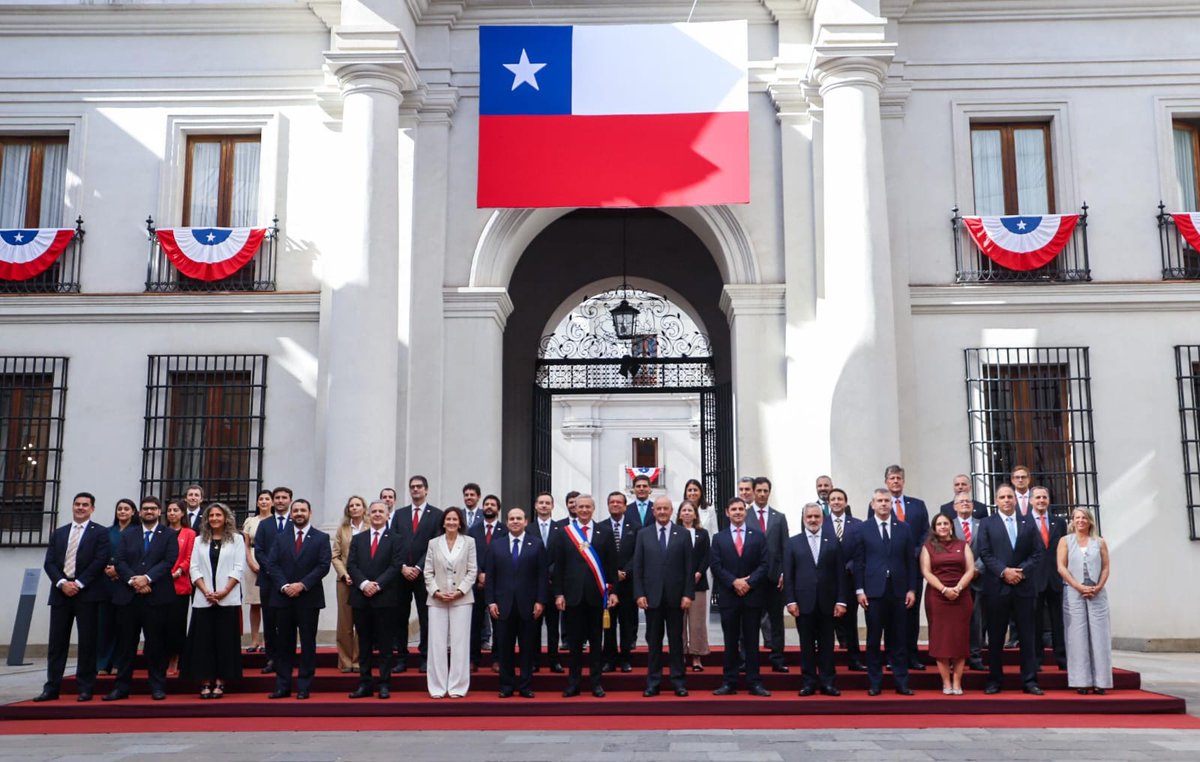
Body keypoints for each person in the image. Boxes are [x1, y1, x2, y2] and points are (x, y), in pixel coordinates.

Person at [35, 492, 110, 703]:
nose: (80, 508)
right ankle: (52, 687)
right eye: (77, 504)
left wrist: (78, 583)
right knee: (56, 644)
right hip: (61, 594)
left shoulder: (100, 533)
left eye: (85, 505)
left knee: (87, 643)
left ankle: (85, 687)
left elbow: (100, 561)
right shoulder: (59, 533)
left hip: (87, 594)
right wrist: (62, 583)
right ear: (72, 506)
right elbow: (49, 562)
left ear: (92, 509)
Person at [106, 496, 178, 701]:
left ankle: (157, 686)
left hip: (156, 597)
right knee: (126, 646)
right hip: (129, 598)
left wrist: (147, 578)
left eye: (153, 508)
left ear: (159, 512)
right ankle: (121, 688)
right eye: (145, 508)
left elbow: (169, 561)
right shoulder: (129, 534)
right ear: (140, 512)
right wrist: (134, 581)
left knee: (156, 645)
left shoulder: (168, 534)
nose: (149, 511)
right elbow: (120, 561)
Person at [976, 483, 1044, 695]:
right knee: (996, 637)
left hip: (1023, 587)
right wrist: (1004, 571)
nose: (1006, 500)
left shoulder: (1028, 522)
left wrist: (1021, 571)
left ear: (1015, 500)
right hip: (997, 587)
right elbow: (985, 553)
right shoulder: (987, 523)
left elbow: (1037, 552)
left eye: (1009, 497)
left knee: (1027, 636)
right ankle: (994, 680)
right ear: (996, 501)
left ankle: (1030, 680)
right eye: (1002, 497)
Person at [551, 493, 619, 698]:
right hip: (572, 597)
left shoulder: (604, 532)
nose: (584, 510)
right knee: (574, 644)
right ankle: (574, 683)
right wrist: (558, 594)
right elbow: (558, 567)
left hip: (597, 596)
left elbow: (612, 565)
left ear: (593, 509)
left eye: (588, 507)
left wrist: (613, 591)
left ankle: (596, 683)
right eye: (580, 507)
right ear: (574, 509)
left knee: (597, 643)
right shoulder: (564, 533)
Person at [853, 488, 917, 696]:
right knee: (873, 639)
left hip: (898, 591)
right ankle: (875, 682)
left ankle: (901, 682)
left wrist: (911, 589)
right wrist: (859, 590)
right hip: (873, 592)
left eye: (886, 501)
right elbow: (859, 562)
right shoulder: (863, 529)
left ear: (892, 504)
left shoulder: (904, 528)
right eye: (879, 501)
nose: (883, 504)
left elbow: (910, 562)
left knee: (898, 638)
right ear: (872, 504)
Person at [266, 499, 332, 700]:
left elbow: (323, 566)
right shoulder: (280, 538)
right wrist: (285, 586)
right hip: (283, 598)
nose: (299, 513)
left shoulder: (321, 537)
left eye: (303, 510)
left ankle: (304, 686)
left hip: (308, 598)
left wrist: (302, 585)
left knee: (308, 644)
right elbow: (272, 564)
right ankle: (283, 686)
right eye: (295, 510)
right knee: (283, 645)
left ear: (310, 513)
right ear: (291, 514)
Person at [633, 495, 695, 697]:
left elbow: (689, 567)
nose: (661, 512)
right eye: (658, 508)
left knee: (676, 642)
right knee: (654, 643)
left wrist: (688, 594)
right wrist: (639, 593)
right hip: (652, 598)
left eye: (665, 508)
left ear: (671, 511)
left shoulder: (683, 534)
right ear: (653, 511)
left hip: (676, 598)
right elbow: (638, 566)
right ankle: (653, 682)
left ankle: (679, 682)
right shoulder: (643, 534)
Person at [709, 497, 771, 697]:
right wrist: (734, 582)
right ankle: (729, 682)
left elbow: (764, 564)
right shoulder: (719, 538)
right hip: (729, 597)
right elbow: (716, 566)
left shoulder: (758, 536)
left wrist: (748, 583)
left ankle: (755, 683)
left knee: (752, 642)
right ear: (727, 512)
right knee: (730, 642)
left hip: (752, 597)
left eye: (741, 509)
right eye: (733, 509)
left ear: (745, 512)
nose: (737, 512)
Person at [785, 502, 848, 697]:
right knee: (806, 646)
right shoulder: (793, 542)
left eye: (816, 516)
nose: (813, 520)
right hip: (803, 603)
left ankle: (828, 683)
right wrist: (790, 601)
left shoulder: (833, 541)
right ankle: (808, 683)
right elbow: (788, 575)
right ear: (803, 519)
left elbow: (840, 574)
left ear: (822, 518)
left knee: (827, 645)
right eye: (809, 517)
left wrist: (841, 601)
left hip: (828, 603)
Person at [486, 505, 549, 699]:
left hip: (528, 606)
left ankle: (525, 686)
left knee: (527, 649)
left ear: (526, 521)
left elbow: (542, 575)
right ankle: (506, 686)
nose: (515, 521)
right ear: (506, 522)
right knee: (504, 649)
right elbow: (491, 577)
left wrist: (541, 601)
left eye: (519, 518)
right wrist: (491, 602)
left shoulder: (536, 544)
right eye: (512, 518)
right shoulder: (496, 545)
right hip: (502, 606)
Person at [185, 502, 244, 699]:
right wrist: (206, 591)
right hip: (204, 598)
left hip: (228, 598)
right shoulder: (199, 540)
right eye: (211, 515)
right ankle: (205, 681)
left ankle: (220, 681)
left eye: (218, 515)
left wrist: (224, 591)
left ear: (226, 518)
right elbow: (194, 568)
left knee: (224, 641)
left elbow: (238, 568)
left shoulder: (237, 539)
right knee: (203, 642)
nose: (215, 518)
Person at [347, 500, 404, 699]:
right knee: (364, 644)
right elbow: (351, 565)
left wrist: (377, 585)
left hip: (385, 598)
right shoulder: (358, 539)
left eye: (381, 511)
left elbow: (396, 566)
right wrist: (364, 584)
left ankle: (384, 684)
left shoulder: (396, 539)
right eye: (374, 511)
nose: (377, 514)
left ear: (388, 515)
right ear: (368, 515)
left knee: (385, 645)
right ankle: (365, 684)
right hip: (361, 598)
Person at [424, 507, 477, 698]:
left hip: (462, 599)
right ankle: (437, 686)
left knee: (460, 643)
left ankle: (458, 686)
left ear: (460, 523)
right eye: (448, 519)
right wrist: (436, 592)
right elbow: (428, 571)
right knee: (436, 644)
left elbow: (472, 570)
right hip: (437, 599)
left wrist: (460, 591)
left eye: (455, 519)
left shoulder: (469, 542)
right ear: (443, 522)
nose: (451, 522)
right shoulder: (433, 543)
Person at [1057, 507, 1112, 694]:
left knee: (1099, 636)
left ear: (1090, 521)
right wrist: (1077, 586)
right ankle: (1081, 681)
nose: (1080, 521)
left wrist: (1099, 586)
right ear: (1072, 521)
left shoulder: (1099, 542)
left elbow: (1106, 567)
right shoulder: (1065, 541)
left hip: (1097, 591)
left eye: (1084, 518)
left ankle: (1101, 682)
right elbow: (1061, 567)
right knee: (1077, 636)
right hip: (1073, 591)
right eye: (1077, 518)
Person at [392, 475, 442, 673]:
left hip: (425, 575)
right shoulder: (399, 514)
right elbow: (393, 543)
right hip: (401, 574)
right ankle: (401, 658)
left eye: (419, 486)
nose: (415, 489)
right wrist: (403, 566)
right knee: (399, 617)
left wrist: (419, 567)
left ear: (426, 490)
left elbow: (435, 544)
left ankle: (425, 657)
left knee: (426, 618)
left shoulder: (437, 515)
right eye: (412, 487)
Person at [920, 512, 975, 695]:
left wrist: (958, 588)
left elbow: (970, 569)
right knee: (941, 641)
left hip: (961, 596)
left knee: (960, 640)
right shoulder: (928, 547)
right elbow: (926, 572)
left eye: (945, 523)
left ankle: (957, 682)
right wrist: (944, 589)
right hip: (938, 597)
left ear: (951, 526)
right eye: (939, 524)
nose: (943, 527)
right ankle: (946, 683)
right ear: (934, 528)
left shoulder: (962, 545)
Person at [884, 464, 930, 672]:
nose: (895, 481)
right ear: (886, 482)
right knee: (890, 615)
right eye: (892, 478)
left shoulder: (917, 505)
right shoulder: (880, 504)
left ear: (903, 481)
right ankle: (892, 656)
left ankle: (912, 655)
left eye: (898, 478)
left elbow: (926, 533)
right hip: (889, 570)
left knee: (911, 614)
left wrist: (916, 551)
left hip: (913, 567)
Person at [746, 476, 789, 673]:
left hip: (774, 577)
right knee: (750, 621)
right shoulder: (744, 515)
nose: (762, 494)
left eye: (765, 491)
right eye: (759, 491)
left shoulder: (779, 518)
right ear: (753, 492)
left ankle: (777, 658)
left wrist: (784, 573)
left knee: (776, 621)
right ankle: (747, 659)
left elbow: (785, 547)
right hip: (752, 578)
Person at [253, 485, 294, 674]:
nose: (280, 501)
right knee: (269, 621)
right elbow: (259, 551)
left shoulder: (296, 522)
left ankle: (287, 658)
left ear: (290, 500)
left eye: (284, 497)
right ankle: (271, 659)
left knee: (288, 621)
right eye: (277, 497)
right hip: (268, 580)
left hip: (290, 581)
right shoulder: (265, 524)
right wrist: (272, 570)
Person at [826, 488, 865, 671]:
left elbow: (861, 551)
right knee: (827, 622)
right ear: (829, 503)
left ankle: (854, 659)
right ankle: (827, 661)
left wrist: (849, 566)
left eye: (840, 499)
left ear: (846, 502)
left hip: (850, 579)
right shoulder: (821, 523)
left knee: (850, 621)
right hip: (827, 580)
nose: (836, 502)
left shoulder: (857, 524)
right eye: (833, 499)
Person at [1028, 486, 1067, 670]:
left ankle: (1062, 658)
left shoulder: (1059, 523)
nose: (1041, 500)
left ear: (1048, 500)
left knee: (1058, 621)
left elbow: (1065, 549)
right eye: (1037, 497)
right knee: (1035, 622)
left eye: (1044, 497)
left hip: (1055, 578)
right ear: (1031, 501)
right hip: (1033, 579)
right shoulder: (1024, 522)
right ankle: (1036, 659)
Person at [96, 498, 136, 676]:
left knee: (123, 625)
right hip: (106, 583)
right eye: (120, 509)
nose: (122, 512)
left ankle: (118, 663)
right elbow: (100, 554)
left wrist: (119, 571)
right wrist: (107, 569)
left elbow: (138, 556)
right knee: (105, 625)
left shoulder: (137, 531)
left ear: (133, 512)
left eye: (126, 509)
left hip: (126, 583)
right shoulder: (107, 532)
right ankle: (103, 663)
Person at [602, 490, 639, 673]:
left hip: (627, 584)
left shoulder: (636, 527)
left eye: (619, 502)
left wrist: (625, 571)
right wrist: (612, 573)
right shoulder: (600, 527)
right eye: (612, 502)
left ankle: (625, 659)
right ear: (608, 505)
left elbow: (638, 554)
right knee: (608, 625)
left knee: (627, 624)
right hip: (607, 585)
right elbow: (598, 555)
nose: (615, 504)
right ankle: (609, 660)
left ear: (625, 506)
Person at [467, 494, 505, 671]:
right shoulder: (473, 530)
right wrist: (479, 574)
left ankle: (497, 659)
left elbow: (505, 555)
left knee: (499, 624)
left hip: (498, 584)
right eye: (486, 504)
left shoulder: (504, 530)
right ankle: (473, 659)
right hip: (476, 584)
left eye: (493, 504)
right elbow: (469, 554)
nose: (489, 507)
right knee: (474, 624)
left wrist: (490, 575)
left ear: (498, 509)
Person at [950, 493, 987, 671]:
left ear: (973, 505)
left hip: (978, 579)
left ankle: (975, 656)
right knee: (955, 621)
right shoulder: (948, 525)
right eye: (961, 501)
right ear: (954, 506)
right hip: (954, 580)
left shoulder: (983, 524)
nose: (965, 504)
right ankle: (955, 656)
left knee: (976, 620)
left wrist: (975, 570)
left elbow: (987, 550)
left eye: (968, 501)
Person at [331, 495, 367, 673]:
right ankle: (345, 660)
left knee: (362, 622)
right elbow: (335, 555)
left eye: (358, 505)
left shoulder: (370, 527)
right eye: (351, 505)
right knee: (345, 623)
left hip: (365, 582)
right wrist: (344, 574)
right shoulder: (342, 529)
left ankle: (358, 660)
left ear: (364, 508)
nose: (354, 508)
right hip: (345, 581)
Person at [531, 491, 565, 673]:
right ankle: (534, 660)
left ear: (552, 506)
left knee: (553, 626)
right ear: (536, 506)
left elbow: (562, 557)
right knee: (533, 626)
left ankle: (554, 660)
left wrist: (549, 573)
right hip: (533, 586)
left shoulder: (561, 530)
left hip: (554, 585)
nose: (544, 506)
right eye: (541, 503)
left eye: (547, 503)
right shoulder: (528, 529)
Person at [676, 500, 710, 672]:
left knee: (697, 623)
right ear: (679, 514)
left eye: (690, 510)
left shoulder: (702, 534)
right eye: (684, 510)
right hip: (678, 584)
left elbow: (707, 555)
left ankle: (696, 656)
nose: (687, 513)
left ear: (695, 514)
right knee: (678, 622)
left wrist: (699, 572)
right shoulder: (674, 532)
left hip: (698, 583)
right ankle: (680, 654)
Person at [164, 499, 196, 677]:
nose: (172, 513)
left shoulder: (189, 533)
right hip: (160, 583)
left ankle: (175, 658)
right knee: (161, 624)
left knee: (176, 624)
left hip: (179, 583)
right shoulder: (161, 531)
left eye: (175, 510)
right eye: (169, 510)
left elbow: (190, 556)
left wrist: (179, 571)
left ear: (183, 513)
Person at [241, 489, 272, 654]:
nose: (264, 501)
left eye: (267, 499)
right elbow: (246, 545)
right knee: (255, 603)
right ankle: (254, 640)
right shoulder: (250, 521)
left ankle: (269, 640)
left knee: (270, 604)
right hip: (253, 559)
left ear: (272, 502)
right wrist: (251, 562)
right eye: (261, 499)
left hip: (272, 561)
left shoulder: (276, 520)